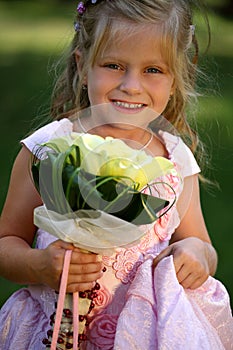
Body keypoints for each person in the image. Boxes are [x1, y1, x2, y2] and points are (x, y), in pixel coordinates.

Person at [0, 0, 232, 349]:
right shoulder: (49, 149)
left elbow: (203, 245)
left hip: (142, 336)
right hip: (55, 331)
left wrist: (196, 253)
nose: (131, 86)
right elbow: (6, 242)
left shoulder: (174, 159)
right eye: (113, 65)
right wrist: (38, 265)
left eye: (153, 69)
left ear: (176, 76)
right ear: (83, 64)